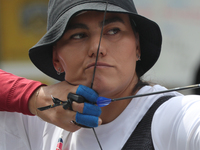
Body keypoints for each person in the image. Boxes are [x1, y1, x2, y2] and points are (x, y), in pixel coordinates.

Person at [1, 0, 200, 150]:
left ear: (137, 45)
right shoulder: (42, 120)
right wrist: (34, 98)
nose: (97, 48)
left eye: (113, 31)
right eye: (78, 35)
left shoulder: (174, 117)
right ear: (56, 59)